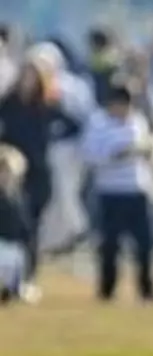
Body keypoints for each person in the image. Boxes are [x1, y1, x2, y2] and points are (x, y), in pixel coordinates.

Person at [0, 56, 78, 287]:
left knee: (31, 224)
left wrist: (52, 137)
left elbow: (73, 125)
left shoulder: (46, 105)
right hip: (11, 170)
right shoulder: (9, 104)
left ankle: (28, 275)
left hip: (38, 171)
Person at [80, 81, 153, 302]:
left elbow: (146, 148)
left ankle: (147, 288)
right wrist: (116, 154)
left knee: (144, 243)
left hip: (137, 187)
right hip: (110, 190)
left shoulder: (137, 121)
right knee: (109, 244)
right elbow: (89, 155)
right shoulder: (98, 124)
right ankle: (107, 288)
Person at [0, 144, 29, 302]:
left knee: (17, 257)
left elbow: (23, 223)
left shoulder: (17, 197)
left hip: (13, 245)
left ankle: (12, 290)